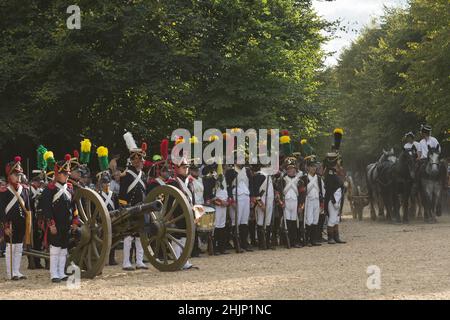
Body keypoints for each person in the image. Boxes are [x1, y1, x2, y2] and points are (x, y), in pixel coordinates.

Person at [40, 154, 80, 282]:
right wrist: (51, 224)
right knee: (55, 249)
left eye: (68, 173)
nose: (67, 175)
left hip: (66, 224)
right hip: (55, 224)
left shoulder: (69, 188)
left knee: (63, 249)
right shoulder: (49, 190)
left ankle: (61, 273)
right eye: (64, 173)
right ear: (57, 174)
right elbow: (46, 209)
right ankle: (54, 274)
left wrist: (75, 221)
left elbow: (74, 207)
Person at [119, 133, 149, 271]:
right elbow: (123, 192)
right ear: (132, 161)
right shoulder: (126, 174)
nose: (140, 162)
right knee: (128, 236)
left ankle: (139, 261)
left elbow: (144, 192)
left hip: (141, 207)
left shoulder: (143, 174)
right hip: (130, 208)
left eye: (141, 160)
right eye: (137, 160)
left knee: (139, 235)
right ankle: (126, 262)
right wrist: (124, 207)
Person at [0, 156, 30, 280]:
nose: (18, 177)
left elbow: (28, 209)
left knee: (18, 248)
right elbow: (1, 211)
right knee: (10, 247)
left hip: (21, 223)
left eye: (19, 174)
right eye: (15, 174)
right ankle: (10, 273)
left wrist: (28, 224)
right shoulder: (4, 191)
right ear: (9, 175)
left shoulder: (24, 190)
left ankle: (16, 271)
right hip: (10, 224)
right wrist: (5, 226)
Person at [167, 157, 197, 269]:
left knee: (186, 237)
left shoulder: (189, 182)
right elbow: (169, 200)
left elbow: (192, 199)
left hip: (188, 212)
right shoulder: (173, 182)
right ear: (177, 168)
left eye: (187, 167)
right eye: (184, 167)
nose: (186, 170)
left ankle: (184, 260)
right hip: (177, 213)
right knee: (177, 237)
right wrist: (170, 215)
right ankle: (177, 260)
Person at [226, 162, 252, 252]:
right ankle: (237, 244)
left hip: (246, 196)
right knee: (235, 221)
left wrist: (251, 198)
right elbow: (228, 186)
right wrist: (231, 200)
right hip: (236, 196)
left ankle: (244, 243)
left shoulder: (247, 171)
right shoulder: (230, 171)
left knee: (244, 221)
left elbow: (250, 184)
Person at [279, 157, 303, 248]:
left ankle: (294, 241)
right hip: (286, 204)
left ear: (295, 169)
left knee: (294, 222)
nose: (290, 170)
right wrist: (281, 202)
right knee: (286, 222)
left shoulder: (299, 181)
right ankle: (286, 241)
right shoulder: (282, 180)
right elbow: (278, 193)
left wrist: (301, 206)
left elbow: (302, 195)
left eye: (292, 168)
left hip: (295, 203)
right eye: (288, 168)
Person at [324, 153, 346, 245]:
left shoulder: (333, 172)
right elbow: (329, 189)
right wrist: (333, 201)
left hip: (337, 199)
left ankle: (336, 237)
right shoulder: (330, 173)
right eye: (338, 160)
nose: (339, 162)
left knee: (336, 219)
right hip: (332, 200)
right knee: (332, 218)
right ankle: (330, 237)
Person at [302, 158, 325, 247]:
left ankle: (313, 240)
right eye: (311, 166)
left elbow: (322, 191)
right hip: (308, 201)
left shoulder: (319, 179)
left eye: (314, 166)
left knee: (315, 220)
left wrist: (322, 203)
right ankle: (307, 239)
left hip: (316, 201)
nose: (313, 168)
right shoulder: (304, 178)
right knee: (309, 220)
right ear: (308, 168)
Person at [251, 164, 275, 250]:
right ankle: (261, 243)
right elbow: (255, 191)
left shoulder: (269, 177)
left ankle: (267, 242)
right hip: (262, 201)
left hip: (269, 201)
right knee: (260, 222)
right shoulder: (259, 176)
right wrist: (261, 204)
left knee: (268, 222)